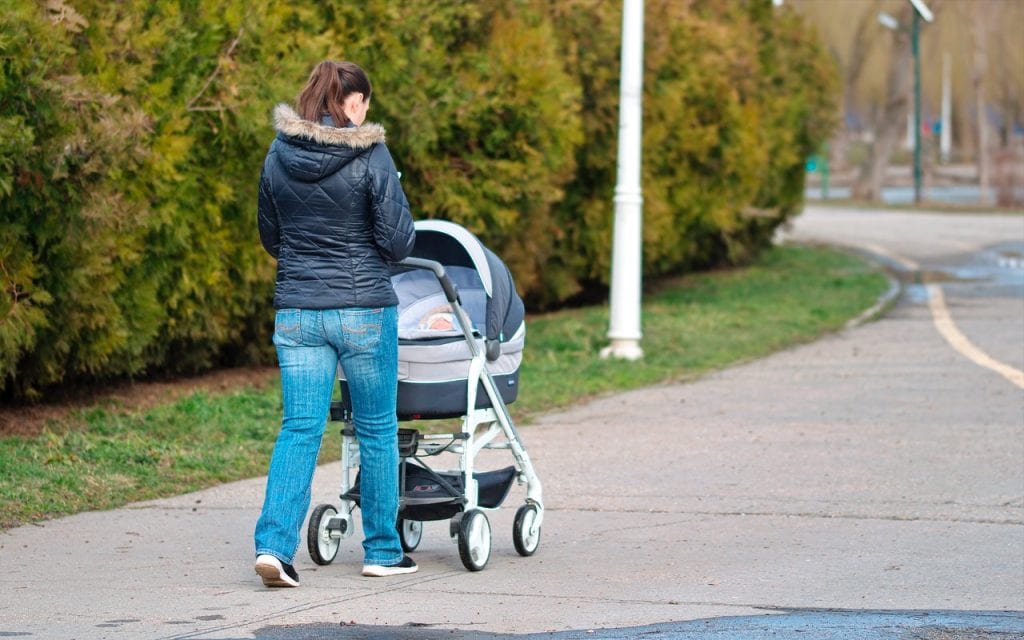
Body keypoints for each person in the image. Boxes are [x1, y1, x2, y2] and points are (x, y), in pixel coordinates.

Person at [254, 60, 417, 587]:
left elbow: (271, 237)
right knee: (375, 428)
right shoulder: (371, 152)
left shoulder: (278, 153)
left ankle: (273, 548)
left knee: (299, 428)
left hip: (298, 311)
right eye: (363, 101)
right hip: (363, 310)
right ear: (350, 103)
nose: (366, 110)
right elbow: (398, 241)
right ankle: (383, 551)